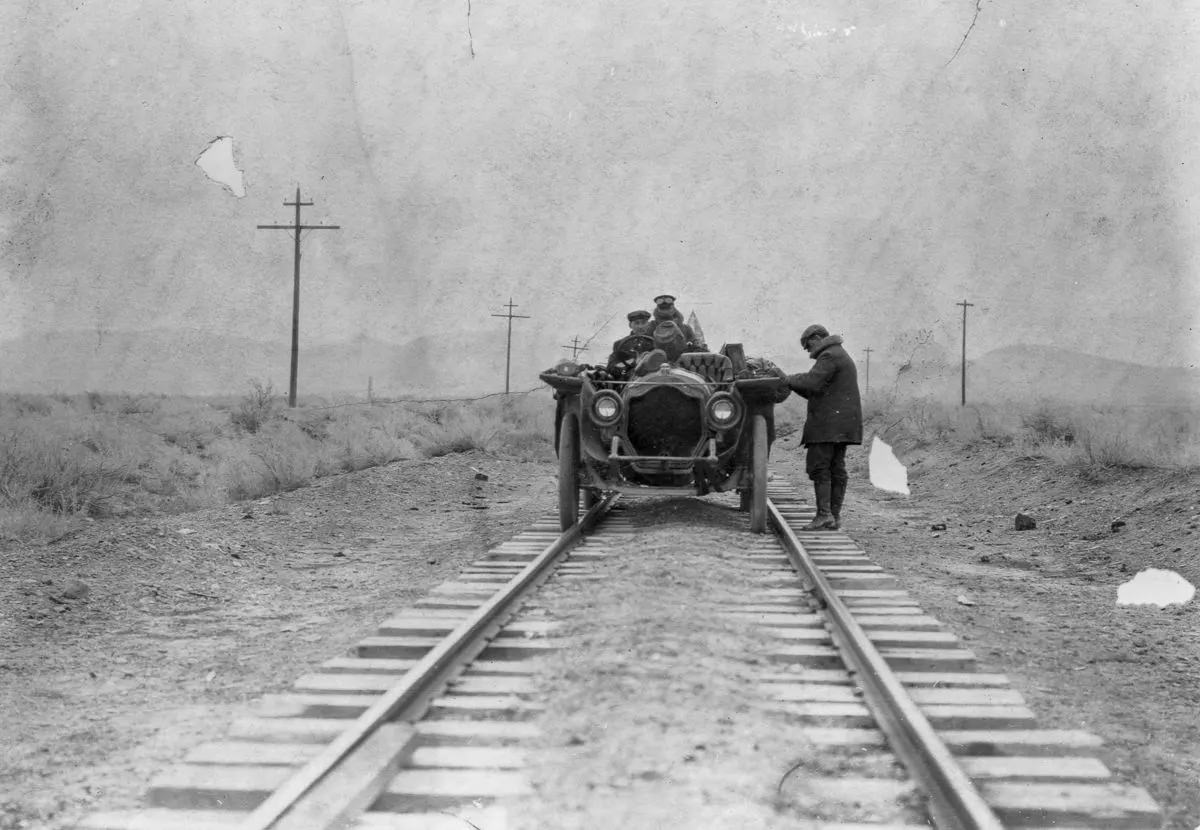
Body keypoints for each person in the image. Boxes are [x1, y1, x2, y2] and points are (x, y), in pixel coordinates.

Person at [785, 324, 863, 531]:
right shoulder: (839, 353)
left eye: (807, 345)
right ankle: (833, 517)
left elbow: (811, 383)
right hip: (842, 423)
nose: (807, 350)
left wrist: (787, 379)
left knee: (820, 467)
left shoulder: (828, 356)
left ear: (817, 337)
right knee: (836, 468)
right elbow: (815, 390)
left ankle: (824, 515)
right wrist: (794, 384)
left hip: (828, 424)